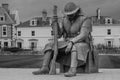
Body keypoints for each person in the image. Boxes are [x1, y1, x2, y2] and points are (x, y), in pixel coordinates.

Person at [32, 2, 92, 77]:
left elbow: (84, 34)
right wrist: (55, 24)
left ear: (77, 11)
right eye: (68, 14)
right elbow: (59, 34)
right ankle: (45, 67)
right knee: (49, 45)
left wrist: (72, 42)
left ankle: (73, 69)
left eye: (71, 14)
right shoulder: (64, 20)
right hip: (66, 42)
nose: (69, 16)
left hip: (82, 42)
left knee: (75, 47)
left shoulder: (85, 19)